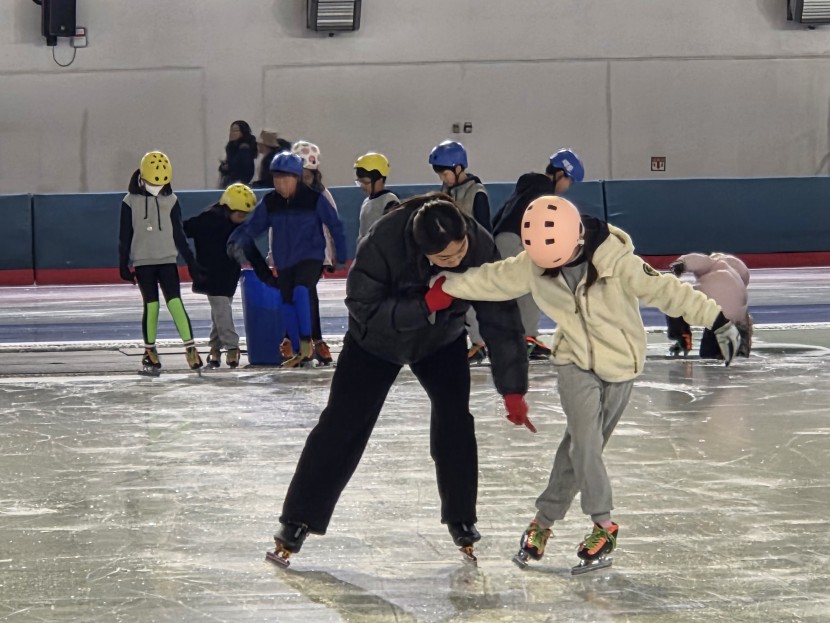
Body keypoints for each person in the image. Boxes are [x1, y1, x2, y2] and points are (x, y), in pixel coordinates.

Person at [437, 195, 741, 573]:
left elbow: (667, 290)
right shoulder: (534, 263)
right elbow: (492, 279)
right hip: (574, 362)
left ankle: (542, 522)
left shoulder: (617, 261)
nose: (552, 269)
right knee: (585, 444)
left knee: (579, 450)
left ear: (577, 239)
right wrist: (446, 284)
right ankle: (604, 524)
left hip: (621, 366)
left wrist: (716, 318)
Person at [263, 194, 531, 568]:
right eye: (444, 259)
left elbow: (500, 315)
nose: (456, 261)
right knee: (342, 425)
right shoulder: (382, 241)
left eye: (460, 252)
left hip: (440, 340)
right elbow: (362, 306)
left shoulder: (479, 243)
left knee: (455, 421)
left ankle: (461, 518)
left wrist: (513, 388)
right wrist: (426, 305)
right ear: (422, 251)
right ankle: (297, 521)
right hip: (375, 342)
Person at [227, 152, 347, 368]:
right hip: (284, 260)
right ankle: (299, 350)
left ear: (297, 178)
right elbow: (253, 226)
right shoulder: (271, 202)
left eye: (285, 179)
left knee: (301, 290)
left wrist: (341, 255)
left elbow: (334, 225)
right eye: (276, 179)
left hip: (310, 257)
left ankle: (306, 342)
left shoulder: (314, 199)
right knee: (287, 301)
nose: (280, 184)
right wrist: (236, 239)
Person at [491, 148, 585, 360]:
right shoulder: (543, 192)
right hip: (515, 239)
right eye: (569, 180)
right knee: (534, 283)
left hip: (504, 238)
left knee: (518, 286)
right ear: (560, 173)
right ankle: (527, 338)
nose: (568, 186)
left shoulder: (530, 186)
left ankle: (518, 336)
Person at [118, 151, 206, 372]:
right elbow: (125, 235)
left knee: (175, 302)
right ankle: (149, 350)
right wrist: (123, 263)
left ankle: (191, 348)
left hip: (167, 260)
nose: (157, 188)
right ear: (142, 177)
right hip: (143, 262)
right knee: (152, 305)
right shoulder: (129, 202)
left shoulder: (171, 200)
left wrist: (191, 261)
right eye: (152, 183)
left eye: (162, 184)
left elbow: (179, 234)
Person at [428, 140, 491, 364]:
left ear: (458, 168)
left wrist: (482, 259)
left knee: (471, 301)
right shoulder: (445, 191)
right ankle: (454, 340)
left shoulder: (476, 193)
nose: (442, 179)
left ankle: (480, 343)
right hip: (449, 257)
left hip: (470, 256)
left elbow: (484, 229)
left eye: (445, 173)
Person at [183, 183, 256, 368]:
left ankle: (214, 349)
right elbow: (185, 228)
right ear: (228, 208)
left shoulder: (238, 226)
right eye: (240, 214)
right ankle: (232, 347)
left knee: (219, 312)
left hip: (229, 275)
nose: (243, 218)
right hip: (211, 275)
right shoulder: (207, 220)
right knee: (222, 308)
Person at [289, 140, 341, 365]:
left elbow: (333, 225)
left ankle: (314, 341)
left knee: (307, 294)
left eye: (307, 175)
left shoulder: (322, 195)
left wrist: (333, 254)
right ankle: (301, 341)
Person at [667, 252, 753, 358]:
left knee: (674, 300)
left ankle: (682, 336)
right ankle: (740, 346)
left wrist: (681, 263)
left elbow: (697, 260)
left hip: (713, 309)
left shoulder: (713, 262)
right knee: (738, 324)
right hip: (737, 314)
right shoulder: (737, 271)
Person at [354, 152, 399, 242]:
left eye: (365, 182)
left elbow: (393, 234)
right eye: (360, 182)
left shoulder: (389, 201)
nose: (363, 186)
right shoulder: (366, 202)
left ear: (380, 179)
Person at [219, 120, 257, 186]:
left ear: (242, 132)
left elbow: (247, 170)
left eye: (235, 131)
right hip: (230, 182)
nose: (231, 133)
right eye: (231, 130)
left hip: (238, 185)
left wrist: (228, 168)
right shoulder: (231, 147)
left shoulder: (244, 149)